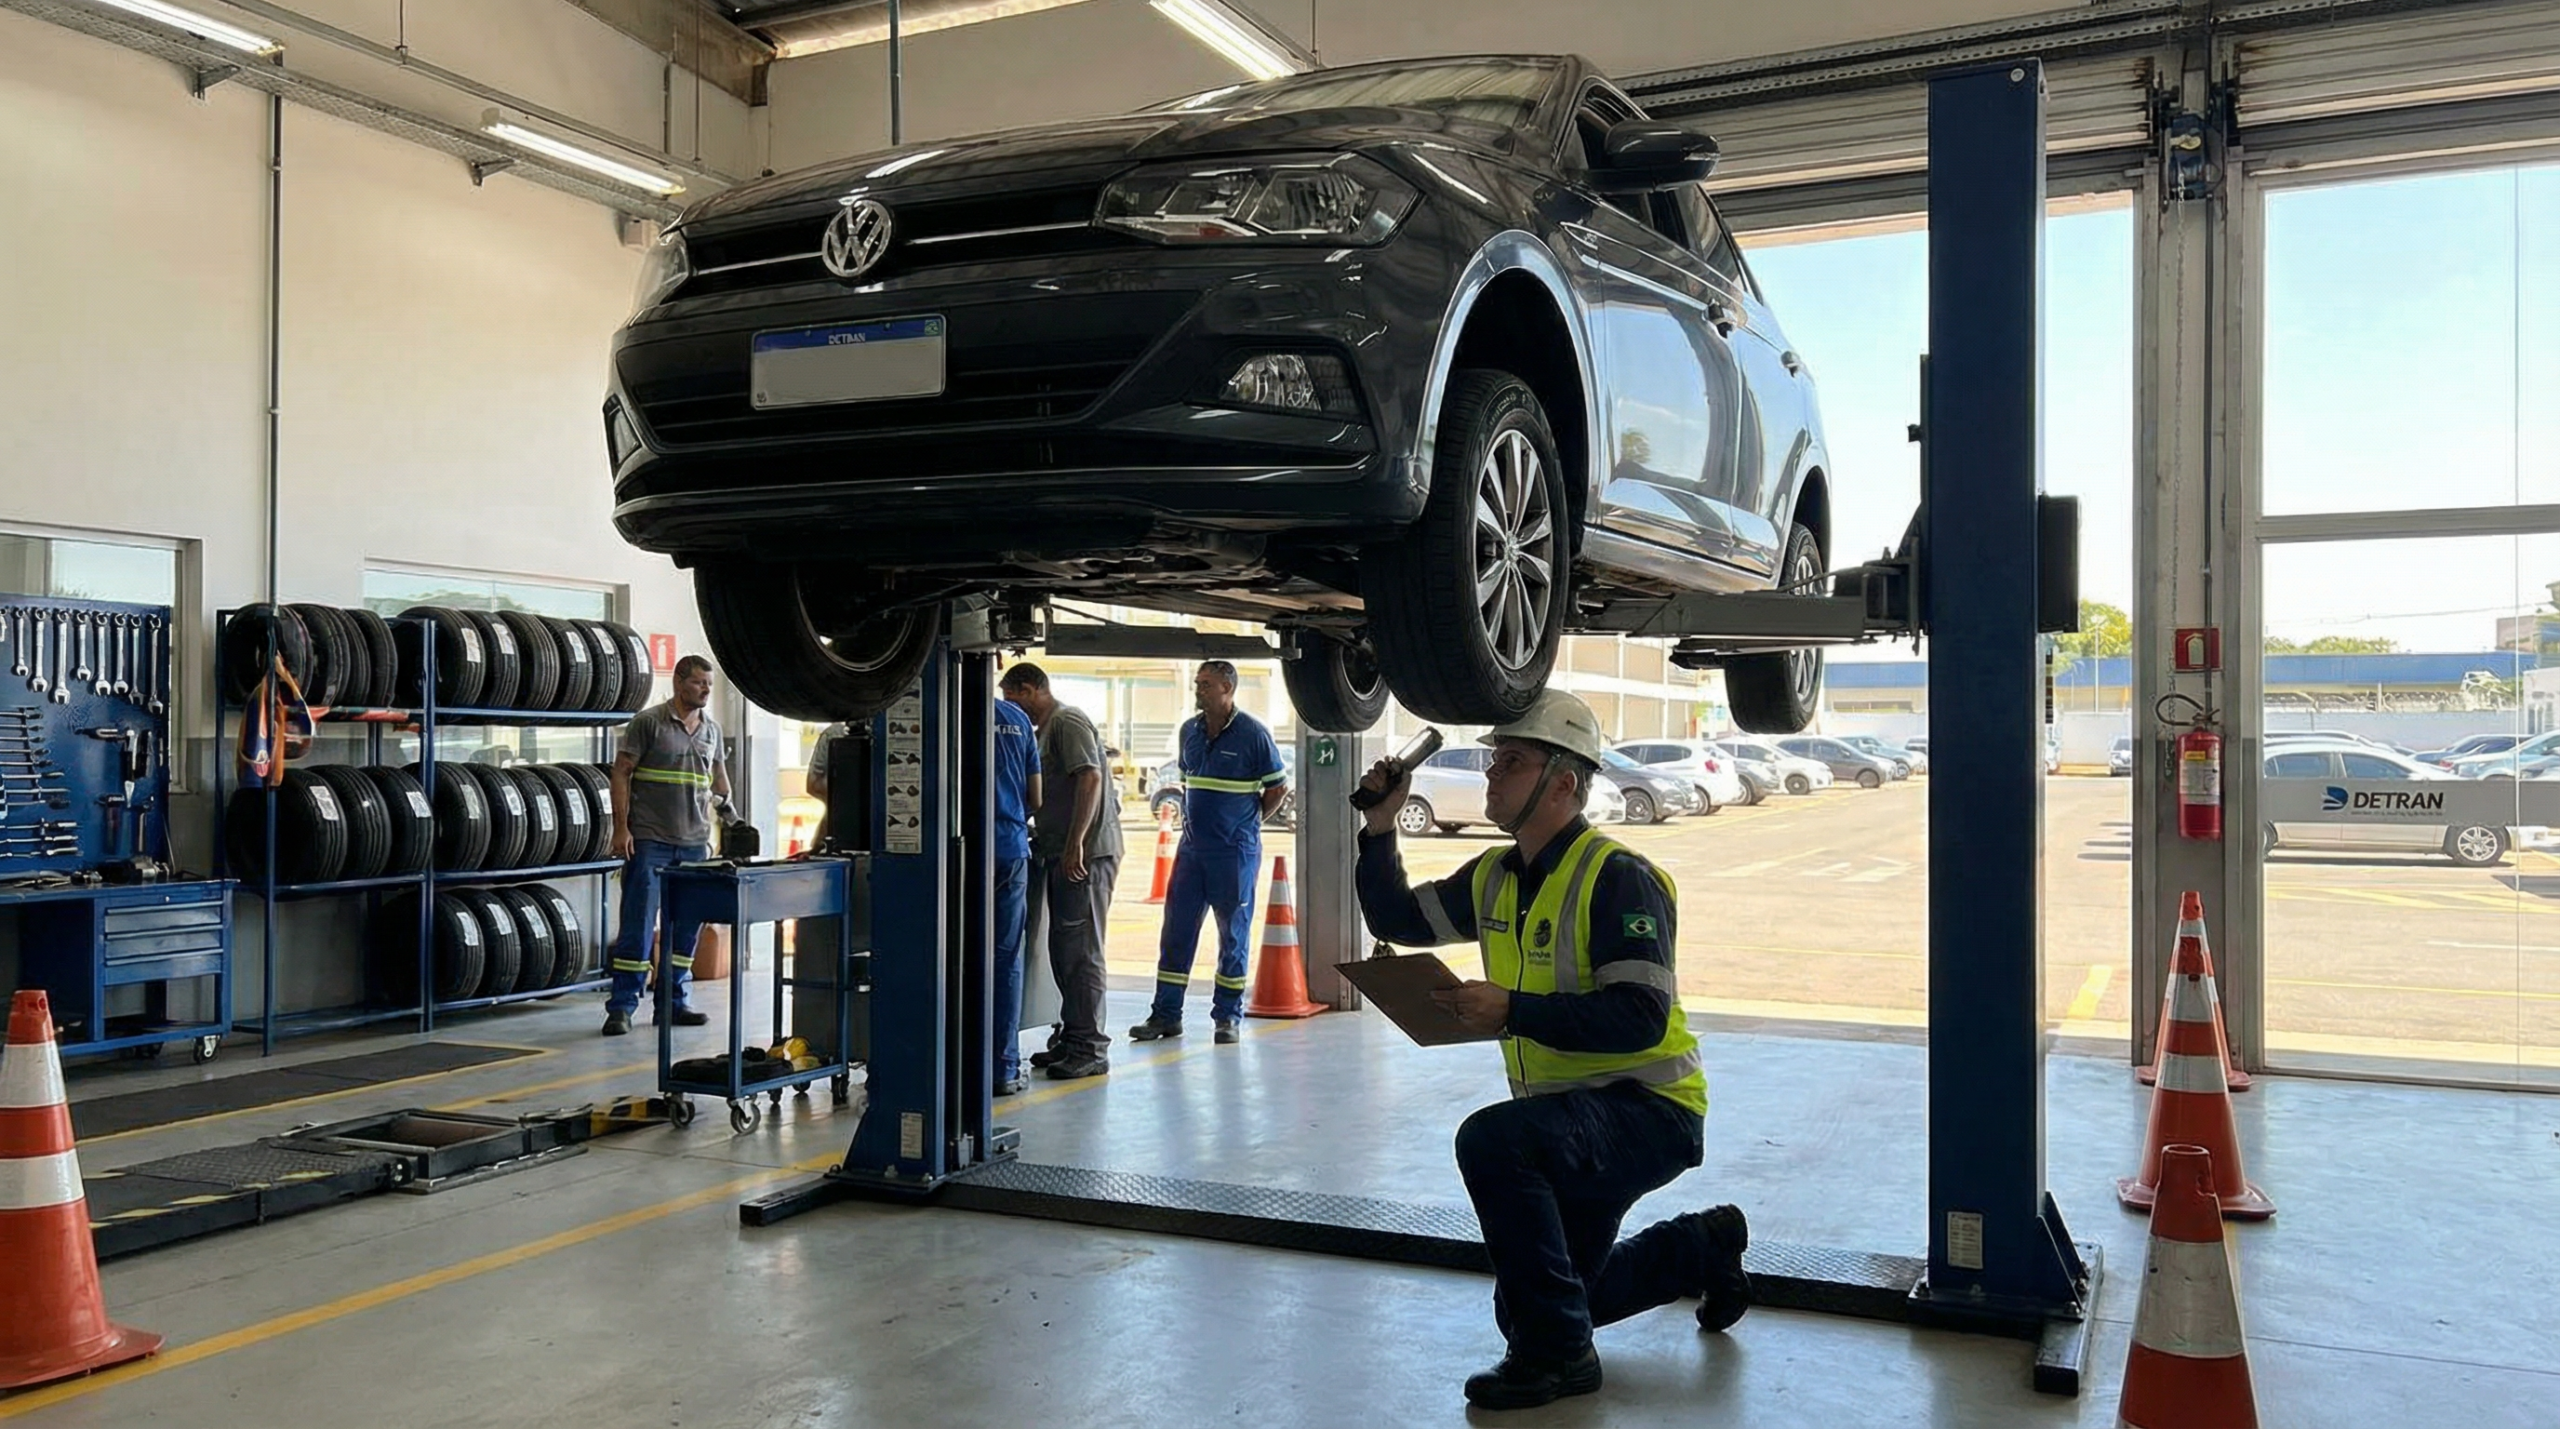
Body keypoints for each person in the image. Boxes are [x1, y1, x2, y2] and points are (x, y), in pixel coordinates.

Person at [1352, 690, 1750, 1411]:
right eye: (1494, 759)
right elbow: (1395, 917)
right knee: (1554, 1298)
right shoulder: (1496, 876)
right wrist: (1380, 824)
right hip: (1568, 1121)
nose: (1491, 773)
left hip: (1648, 1110)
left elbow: (1639, 1017)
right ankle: (1702, 1246)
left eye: (1512, 760)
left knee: (1493, 1143)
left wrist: (1513, 1009)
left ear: (1563, 783)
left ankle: (1560, 1359)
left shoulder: (1619, 878)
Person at [1130, 661, 1287, 1046]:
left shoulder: (1254, 735)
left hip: (1233, 852)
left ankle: (1227, 1017)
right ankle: (1166, 1015)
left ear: (1228, 689)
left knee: (1232, 934)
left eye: (1206, 684)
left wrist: (1247, 824)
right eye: (1198, 683)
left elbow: (1276, 789)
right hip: (1192, 850)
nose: (1197, 690)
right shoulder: (1190, 731)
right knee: (1176, 932)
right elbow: (1190, 783)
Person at [601, 654, 733, 1037]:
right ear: (678, 682)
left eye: (708, 684)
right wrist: (621, 830)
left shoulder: (711, 730)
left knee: (686, 930)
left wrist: (732, 820)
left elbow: (719, 783)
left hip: (694, 845)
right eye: (698, 683)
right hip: (650, 841)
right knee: (638, 926)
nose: (706, 690)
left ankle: (673, 1004)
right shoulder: (649, 723)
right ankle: (622, 1008)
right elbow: (621, 774)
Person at [1000, 663, 1120, 1080]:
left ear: (1031, 689)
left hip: (1085, 857)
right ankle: (1071, 1039)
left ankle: (1090, 1048)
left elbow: (1090, 778)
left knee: (1082, 950)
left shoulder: (1066, 721)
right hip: (1060, 853)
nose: (1010, 708)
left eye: (1013, 698)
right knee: (1063, 949)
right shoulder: (1044, 730)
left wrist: (1075, 844)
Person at [989, 693, 1043, 1094]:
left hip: (949, 856)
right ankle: (1004, 1068)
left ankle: (951, 1063)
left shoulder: (940, 710)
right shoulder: (1017, 718)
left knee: (948, 957)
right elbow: (1035, 797)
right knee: (1006, 959)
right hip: (1009, 850)